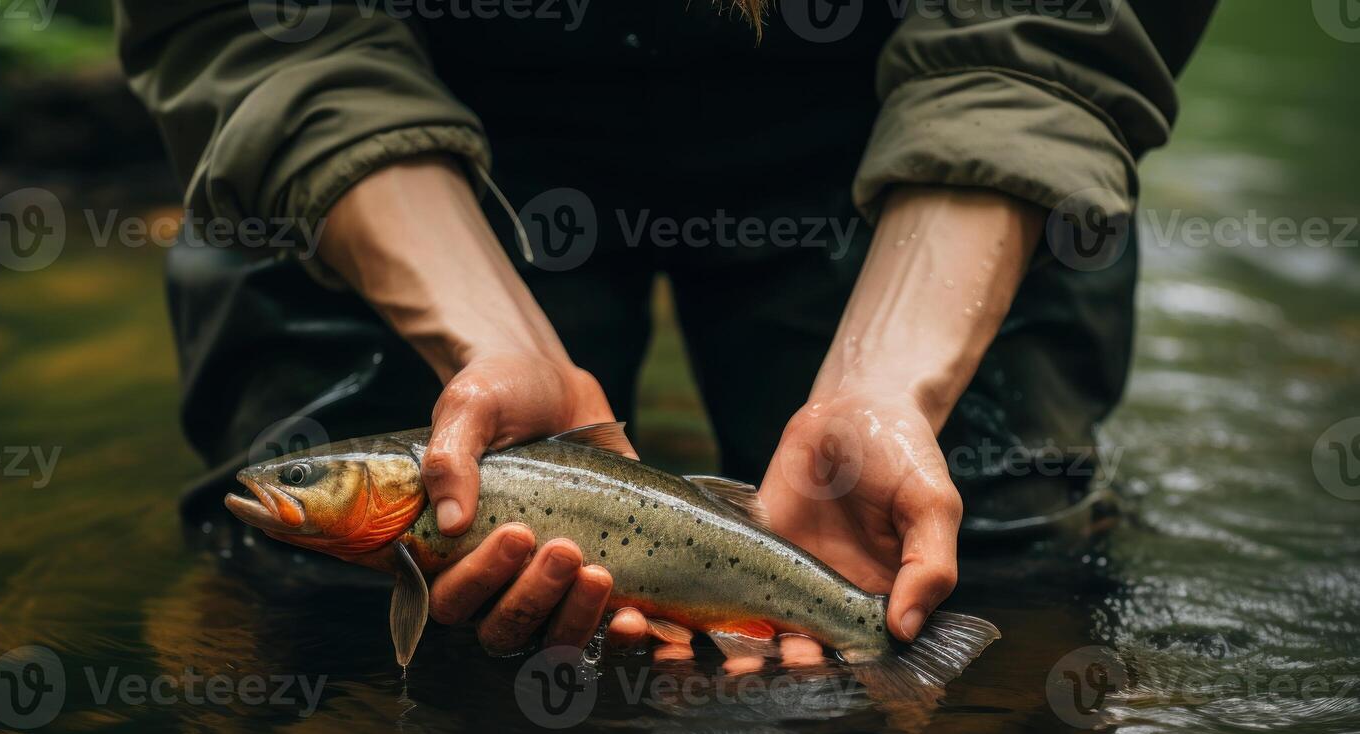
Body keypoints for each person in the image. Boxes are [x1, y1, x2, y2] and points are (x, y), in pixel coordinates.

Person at [115, 1, 1214, 656]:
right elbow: (256, 29)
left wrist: (887, 387)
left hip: (894, 94)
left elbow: (1055, 31)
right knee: (320, 617)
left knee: (992, 572)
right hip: (418, 91)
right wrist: (492, 341)